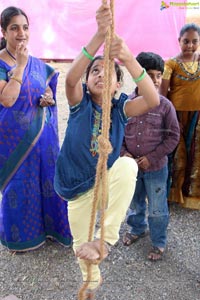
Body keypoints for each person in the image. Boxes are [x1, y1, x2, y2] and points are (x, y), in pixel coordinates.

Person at [54, 3, 159, 298]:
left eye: (108, 71)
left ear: (117, 85)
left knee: (128, 166)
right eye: (95, 70)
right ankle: (92, 278)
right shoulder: (79, 104)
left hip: (104, 183)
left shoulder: (121, 108)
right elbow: (71, 78)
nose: (101, 74)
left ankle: (107, 240)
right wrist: (99, 37)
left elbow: (152, 99)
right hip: (76, 187)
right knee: (81, 248)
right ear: (89, 82)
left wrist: (127, 58)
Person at [0, 6, 72, 252]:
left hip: (44, 142)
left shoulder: (38, 64)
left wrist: (49, 97)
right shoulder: (2, 64)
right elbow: (7, 99)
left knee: (48, 182)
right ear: (3, 31)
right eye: (14, 28)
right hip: (14, 144)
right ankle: (21, 239)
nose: (21, 33)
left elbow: (47, 87)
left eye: (25, 27)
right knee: (20, 186)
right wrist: (19, 66)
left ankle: (52, 231)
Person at [121, 52, 180, 261]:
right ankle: (137, 229)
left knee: (157, 207)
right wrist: (125, 154)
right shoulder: (126, 104)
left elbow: (173, 137)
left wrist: (152, 157)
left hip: (155, 168)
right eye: (148, 75)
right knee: (135, 201)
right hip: (131, 167)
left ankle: (158, 241)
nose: (154, 81)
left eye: (158, 76)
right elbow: (117, 133)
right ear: (137, 75)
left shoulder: (165, 106)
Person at [160, 23, 200, 210]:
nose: (190, 46)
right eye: (186, 41)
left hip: (197, 116)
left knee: (195, 154)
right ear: (179, 41)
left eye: (194, 41)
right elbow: (163, 92)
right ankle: (170, 192)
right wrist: (166, 117)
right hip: (175, 115)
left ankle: (189, 193)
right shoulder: (171, 64)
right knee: (177, 154)